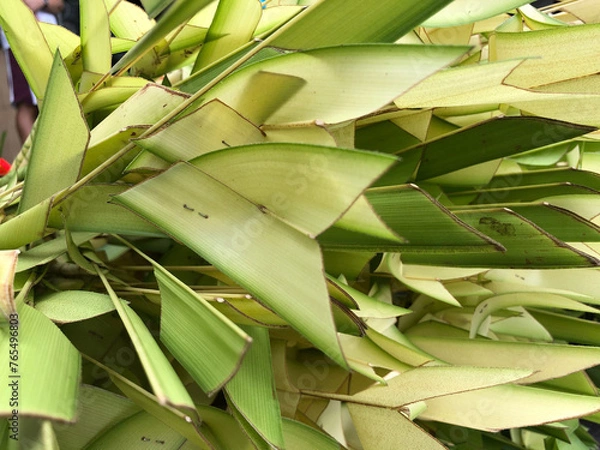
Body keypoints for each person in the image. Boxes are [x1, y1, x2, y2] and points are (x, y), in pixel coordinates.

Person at [1, 0, 64, 144]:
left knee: (53, 99)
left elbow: (59, 4)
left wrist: (42, 2)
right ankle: (31, 161)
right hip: (21, 38)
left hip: (52, 37)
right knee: (27, 102)